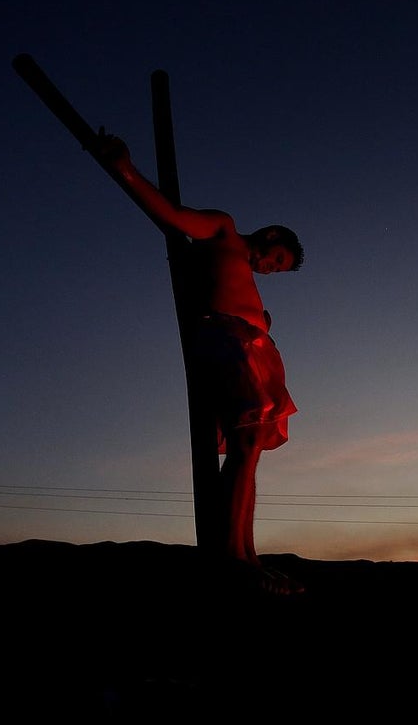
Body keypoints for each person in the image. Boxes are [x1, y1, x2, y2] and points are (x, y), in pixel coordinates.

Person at [96, 130, 305, 595]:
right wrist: (124, 168)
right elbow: (171, 214)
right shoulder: (224, 230)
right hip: (226, 338)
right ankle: (232, 558)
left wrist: (263, 323)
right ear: (270, 235)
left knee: (249, 450)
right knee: (245, 439)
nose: (268, 269)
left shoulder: (241, 268)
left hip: (255, 348)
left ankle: (248, 554)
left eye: (275, 269)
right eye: (274, 259)